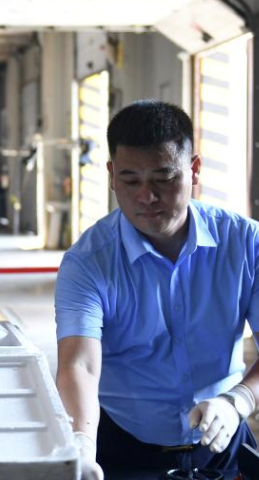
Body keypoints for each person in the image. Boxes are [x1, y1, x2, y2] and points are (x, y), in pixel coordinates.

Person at [55, 100, 259, 479]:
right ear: (112, 176)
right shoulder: (87, 262)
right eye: (131, 181)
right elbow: (78, 363)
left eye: (164, 179)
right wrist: (81, 444)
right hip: (125, 447)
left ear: (194, 169)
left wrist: (239, 400)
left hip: (223, 439)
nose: (147, 197)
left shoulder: (246, 243)